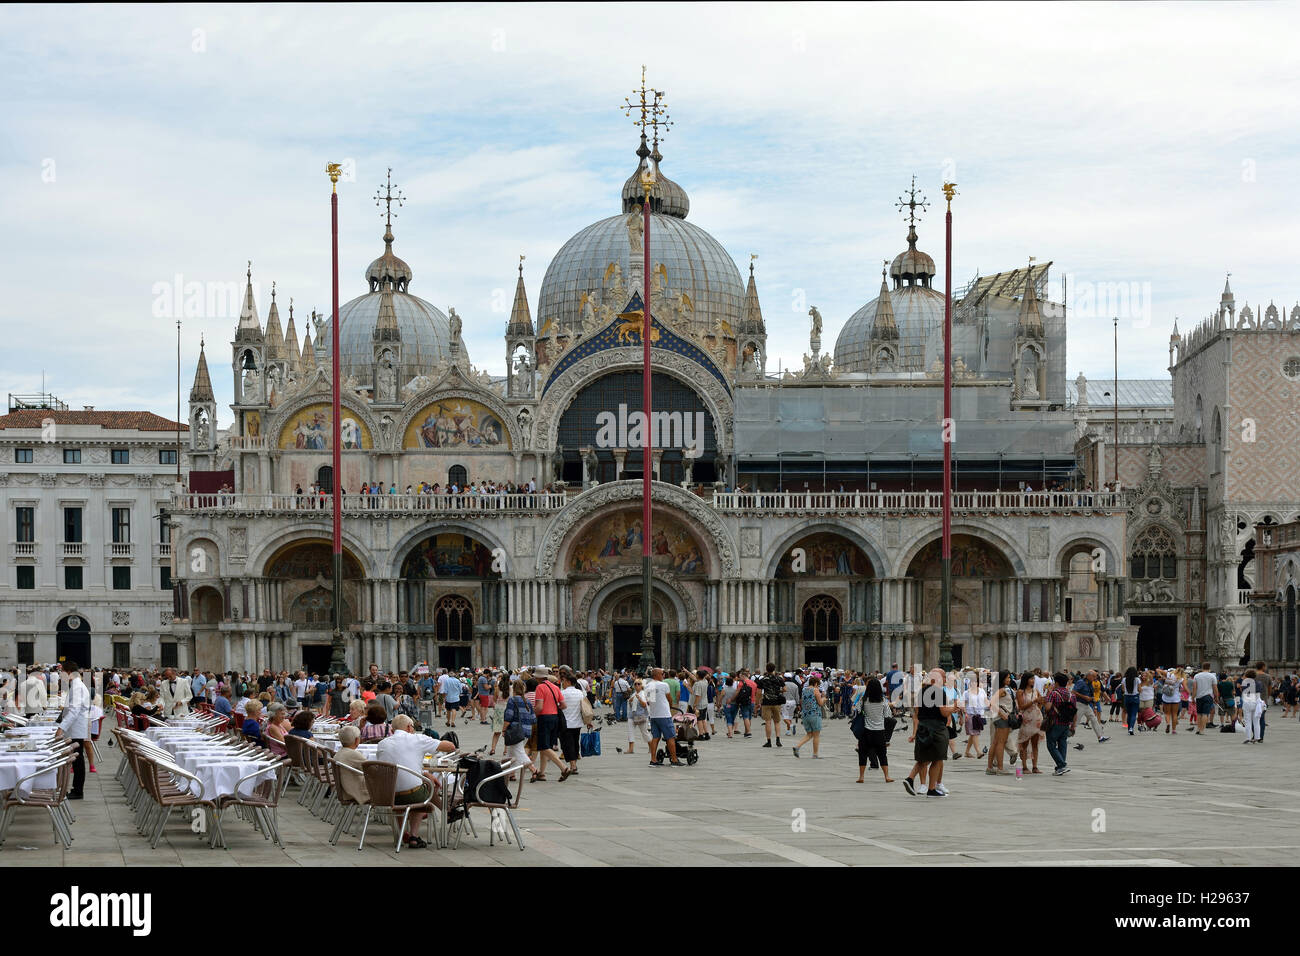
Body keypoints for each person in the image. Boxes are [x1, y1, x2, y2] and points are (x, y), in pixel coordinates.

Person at [375, 714, 456, 849]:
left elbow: (395, 767)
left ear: (392, 730)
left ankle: (402, 831)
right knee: (426, 788)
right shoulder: (417, 739)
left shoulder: (382, 743)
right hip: (412, 795)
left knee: (407, 786)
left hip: (387, 796)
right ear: (409, 727)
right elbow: (451, 746)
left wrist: (424, 773)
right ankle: (415, 834)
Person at [904, 669, 960, 797]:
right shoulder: (939, 692)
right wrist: (953, 708)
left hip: (923, 727)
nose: (945, 679)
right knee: (937, 758)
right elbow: (943, 712)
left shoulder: (921, 692)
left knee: (924, 757)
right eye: (943, 677)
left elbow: (917, 713)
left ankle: (910, 779)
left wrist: (915, 731)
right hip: (937, 728)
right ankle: (931, 789)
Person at [52, 660, 90, 800]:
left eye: (62, 673)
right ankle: (76, 789)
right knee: (76, 759)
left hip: (76, 728)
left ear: (68, 672)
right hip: (75, 728)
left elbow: (74, 710)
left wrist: (61, 728)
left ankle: (78, 790)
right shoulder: (75, 685)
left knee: (78, 760)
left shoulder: (77, 686)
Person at [530, 669, 568, 781]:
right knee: (546, 746)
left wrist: (532, 714)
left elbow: (539, 707)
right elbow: (564, 705)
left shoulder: (540, 687)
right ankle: (542, 773)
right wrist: (553, 707)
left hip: (544, 718)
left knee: (543, 746)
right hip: (555, 718)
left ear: (539, 677)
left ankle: (564, 768)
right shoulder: (555, 687)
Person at [641, 667, 682, 767]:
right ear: (656, 675)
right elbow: (670, 699)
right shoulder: (664, 685)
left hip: (654, 715)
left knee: (655, 737)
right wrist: (670, 706)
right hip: (664, 714)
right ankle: (674, 759)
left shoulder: (647, 685)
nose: (664, 675)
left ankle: (653, 760)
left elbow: (649, 701)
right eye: (662, 673)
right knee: (670, 737)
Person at [855, 677, 893, 783]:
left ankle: (861, 777)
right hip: (880, 731)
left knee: (862, 753)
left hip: (866, 731)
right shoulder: (883, 701)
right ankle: (887, 776)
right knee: (882, 754)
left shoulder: (863, 700)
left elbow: (857, 710)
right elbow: (888, 715)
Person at [557, 670, 590, 781]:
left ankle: (573, 765)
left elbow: (559, 705)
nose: (562, 683)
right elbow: (585, 708)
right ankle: (574, 763)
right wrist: (588, 721)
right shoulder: (580, 693)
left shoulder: (563, 693)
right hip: (577, 723)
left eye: (564, 681)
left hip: (566, 723)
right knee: (575, 743)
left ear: (567, 681)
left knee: (567, 745)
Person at [1042, 672, 1076, 775]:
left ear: (1056, 683)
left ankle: (1062, 765)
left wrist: (1048, 694)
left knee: (1051, 744)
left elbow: (1047, 708)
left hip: (1054, 722)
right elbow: (1074, 712)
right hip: (1066, 723)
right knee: (1062, 744)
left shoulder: (1053, 693)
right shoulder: (1071, 695)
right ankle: (1060, 767)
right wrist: (1073, 725)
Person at [501, 679, 536, 777]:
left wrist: (504, 729)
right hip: (527, 730)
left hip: (516, 731)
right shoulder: (527, 701)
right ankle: (511, 774)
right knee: (512, 753)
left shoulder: (512, 700)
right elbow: (533, 719)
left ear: (513, 689)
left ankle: (534, 770)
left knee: (520, 753)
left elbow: (508, 717)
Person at [986, 670, 1016, 775]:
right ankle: (1000, 768)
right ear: (1002, 679)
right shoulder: (1002, 690)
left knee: (995, 743)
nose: (1009, 679)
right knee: (1001, 743)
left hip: (997, 718)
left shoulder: (1000, 689)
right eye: (1007, 677)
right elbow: (992, 703)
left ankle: (990, 767)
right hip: (1002, 719)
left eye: (1009, 677)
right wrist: (1002, 713)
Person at [333, 724, 370, 807]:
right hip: (356, 791)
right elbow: (371, 770)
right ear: (357, 740)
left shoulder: (340, 752)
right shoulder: (353, 754)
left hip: (345, 789)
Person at [791, 674, 825, 758]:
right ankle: (815, 754)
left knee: (809, 734)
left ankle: (797, 747)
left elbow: (802, 701)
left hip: (805, 715)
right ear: (816, 684)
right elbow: (820, 703)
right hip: (815, 714)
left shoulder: (804, 690)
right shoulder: (815, 690)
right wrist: (824, 699)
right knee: (816, 735)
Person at [759, 662, 786, 748]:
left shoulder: (763, 679)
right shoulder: (779, 679)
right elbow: (785, 689)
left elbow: (758, 692)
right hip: (777, 702)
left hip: (766, 702)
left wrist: (757, 702)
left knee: (768, 722)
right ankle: (778, 739)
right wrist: (777, 691)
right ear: (774, 669)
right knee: (777, 721)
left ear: (766, 669)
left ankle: (769, 741)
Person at [962, 676, 988, 758]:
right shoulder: (966, 693)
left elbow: (985, 700)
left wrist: (990, 705)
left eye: (975, 682)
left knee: (973, 733)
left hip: (979, 715)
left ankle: (967, 752)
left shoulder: (982, 691)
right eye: (972, 682)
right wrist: (965, 713)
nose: (974, 683)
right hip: (970, 715)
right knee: (974, 733)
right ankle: (978, 752)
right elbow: (963, 703)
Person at [625, 677, 652, 754]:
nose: (637, 685)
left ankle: (651, 747)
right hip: (632, 716)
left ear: (642, 686)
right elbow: (631, 705)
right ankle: (631, 749)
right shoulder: (633, 694)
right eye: (635, 684)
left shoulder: (644, 694)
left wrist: (639, 699)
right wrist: (630, 701)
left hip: (641, 716)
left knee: (645, 733)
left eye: (638, 684)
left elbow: (645, 705)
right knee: (630, 732)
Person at [1191, 661, 1218, 735]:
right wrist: (1216, 697)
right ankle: (1202, 730)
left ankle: (1198, 728)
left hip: (1199, 697)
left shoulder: (1197, 676)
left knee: (1199, 713)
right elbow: (1215, 688)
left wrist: (1193, 697)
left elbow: (1194, 688)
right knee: (1205, 713)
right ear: (1209, 667)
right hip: (1208, 696)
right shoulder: (1212, 676)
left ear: (1202, 667)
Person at [488, 672, 510, 756]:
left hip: (498, 709)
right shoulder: (510, 688)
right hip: (507, 709)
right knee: (507, 731)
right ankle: (505, 750)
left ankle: (493, 749)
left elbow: (494, 699)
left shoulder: (497, 688)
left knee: (497, 731)